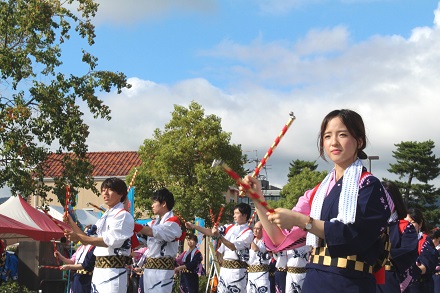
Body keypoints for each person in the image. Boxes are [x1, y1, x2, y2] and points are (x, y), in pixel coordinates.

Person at [243, 109, 392, 293]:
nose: (334, 142)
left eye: (342, 134)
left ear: (359, 141)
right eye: (327, 136)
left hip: (351, 283)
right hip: (314, 280)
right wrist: (257, 199)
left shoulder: (369, 185)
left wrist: (301, 221)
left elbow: (353, 236)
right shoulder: (316, 193)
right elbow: (279, 238)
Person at [65, 177, 135, 293]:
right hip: (98, 271)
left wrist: (80, 237)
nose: (105, 193)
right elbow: (85, 239)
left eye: (110, 190)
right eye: (103, 190)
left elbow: (110, 241)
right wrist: (70, 222)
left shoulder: (123, 216)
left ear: (121, 193)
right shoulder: (104, 217)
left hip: (113, 271)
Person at [186, 202, 254, 293]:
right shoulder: (229, 227)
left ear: (245, 215)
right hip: (224, 270)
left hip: (238, 272)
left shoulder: (248, 233)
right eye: (234, 213)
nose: (234, 216)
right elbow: (211, 232)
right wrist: (194, 226)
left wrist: (219, 236)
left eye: (237, 213)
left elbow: (233, 247)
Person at [137, 188, 183, 293]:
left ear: (164, 203)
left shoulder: (173, 222)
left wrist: (135, 226)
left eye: (154, 202)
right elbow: (142, 231)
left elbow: (156, 231)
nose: (152, 205)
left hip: (163, 271)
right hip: (149, 270)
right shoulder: (154, 222)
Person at [376, 181, 419, 293]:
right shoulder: (372, 225)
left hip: (392, 279)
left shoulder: (404, 226)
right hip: (370, 277)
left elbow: (409, 251)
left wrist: (387, 253)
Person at [404, 208, 437, 293]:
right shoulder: (398, 240)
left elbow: (427, 265)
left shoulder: (425, 241)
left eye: (412, 222)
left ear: (420, 223)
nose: (408, 225)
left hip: (419, 286)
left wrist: (414, 270)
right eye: (405, 222)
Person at [55, 225, 97, 293]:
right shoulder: (80, 248)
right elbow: (72, 261)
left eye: (86, 232)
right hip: (77, 277)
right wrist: (60, 257)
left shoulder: (93, 247)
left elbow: (84, 265)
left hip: (86, 278)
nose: (84, 234)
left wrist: (68, 267)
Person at [247, 221, 271, 293]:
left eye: (258, 228)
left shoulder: (266, 241)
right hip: (251, 273)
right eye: (254, 228)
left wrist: (250, 239)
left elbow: (256, 249)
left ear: (263, 230)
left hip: (262, 273)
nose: (255, 230)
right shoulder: (253, 240)